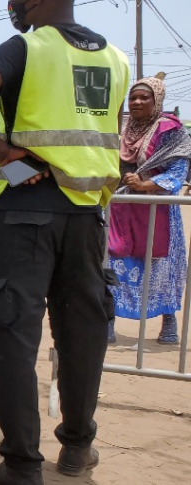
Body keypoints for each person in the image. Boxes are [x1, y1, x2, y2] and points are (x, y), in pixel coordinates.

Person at [0, 0, 130, 482]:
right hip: (88, 216)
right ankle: (76, 448)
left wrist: (6, 154)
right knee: (82, 334)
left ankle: (22, 465)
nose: (13, 6)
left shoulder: (27, 47)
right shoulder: (115, 57)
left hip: (25, 213)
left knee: (11, 333)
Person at [108, 75, 191, 344]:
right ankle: (109, 321)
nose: (137, 102)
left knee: (162, 268)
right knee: (114, 262)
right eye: (133, 97)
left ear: (157, 101)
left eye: (144, 97)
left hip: (158, 210)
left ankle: (168, 324)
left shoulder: (170, 129)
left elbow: (179, 168)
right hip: (121, 209)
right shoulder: (121, 128)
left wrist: (147, 185)